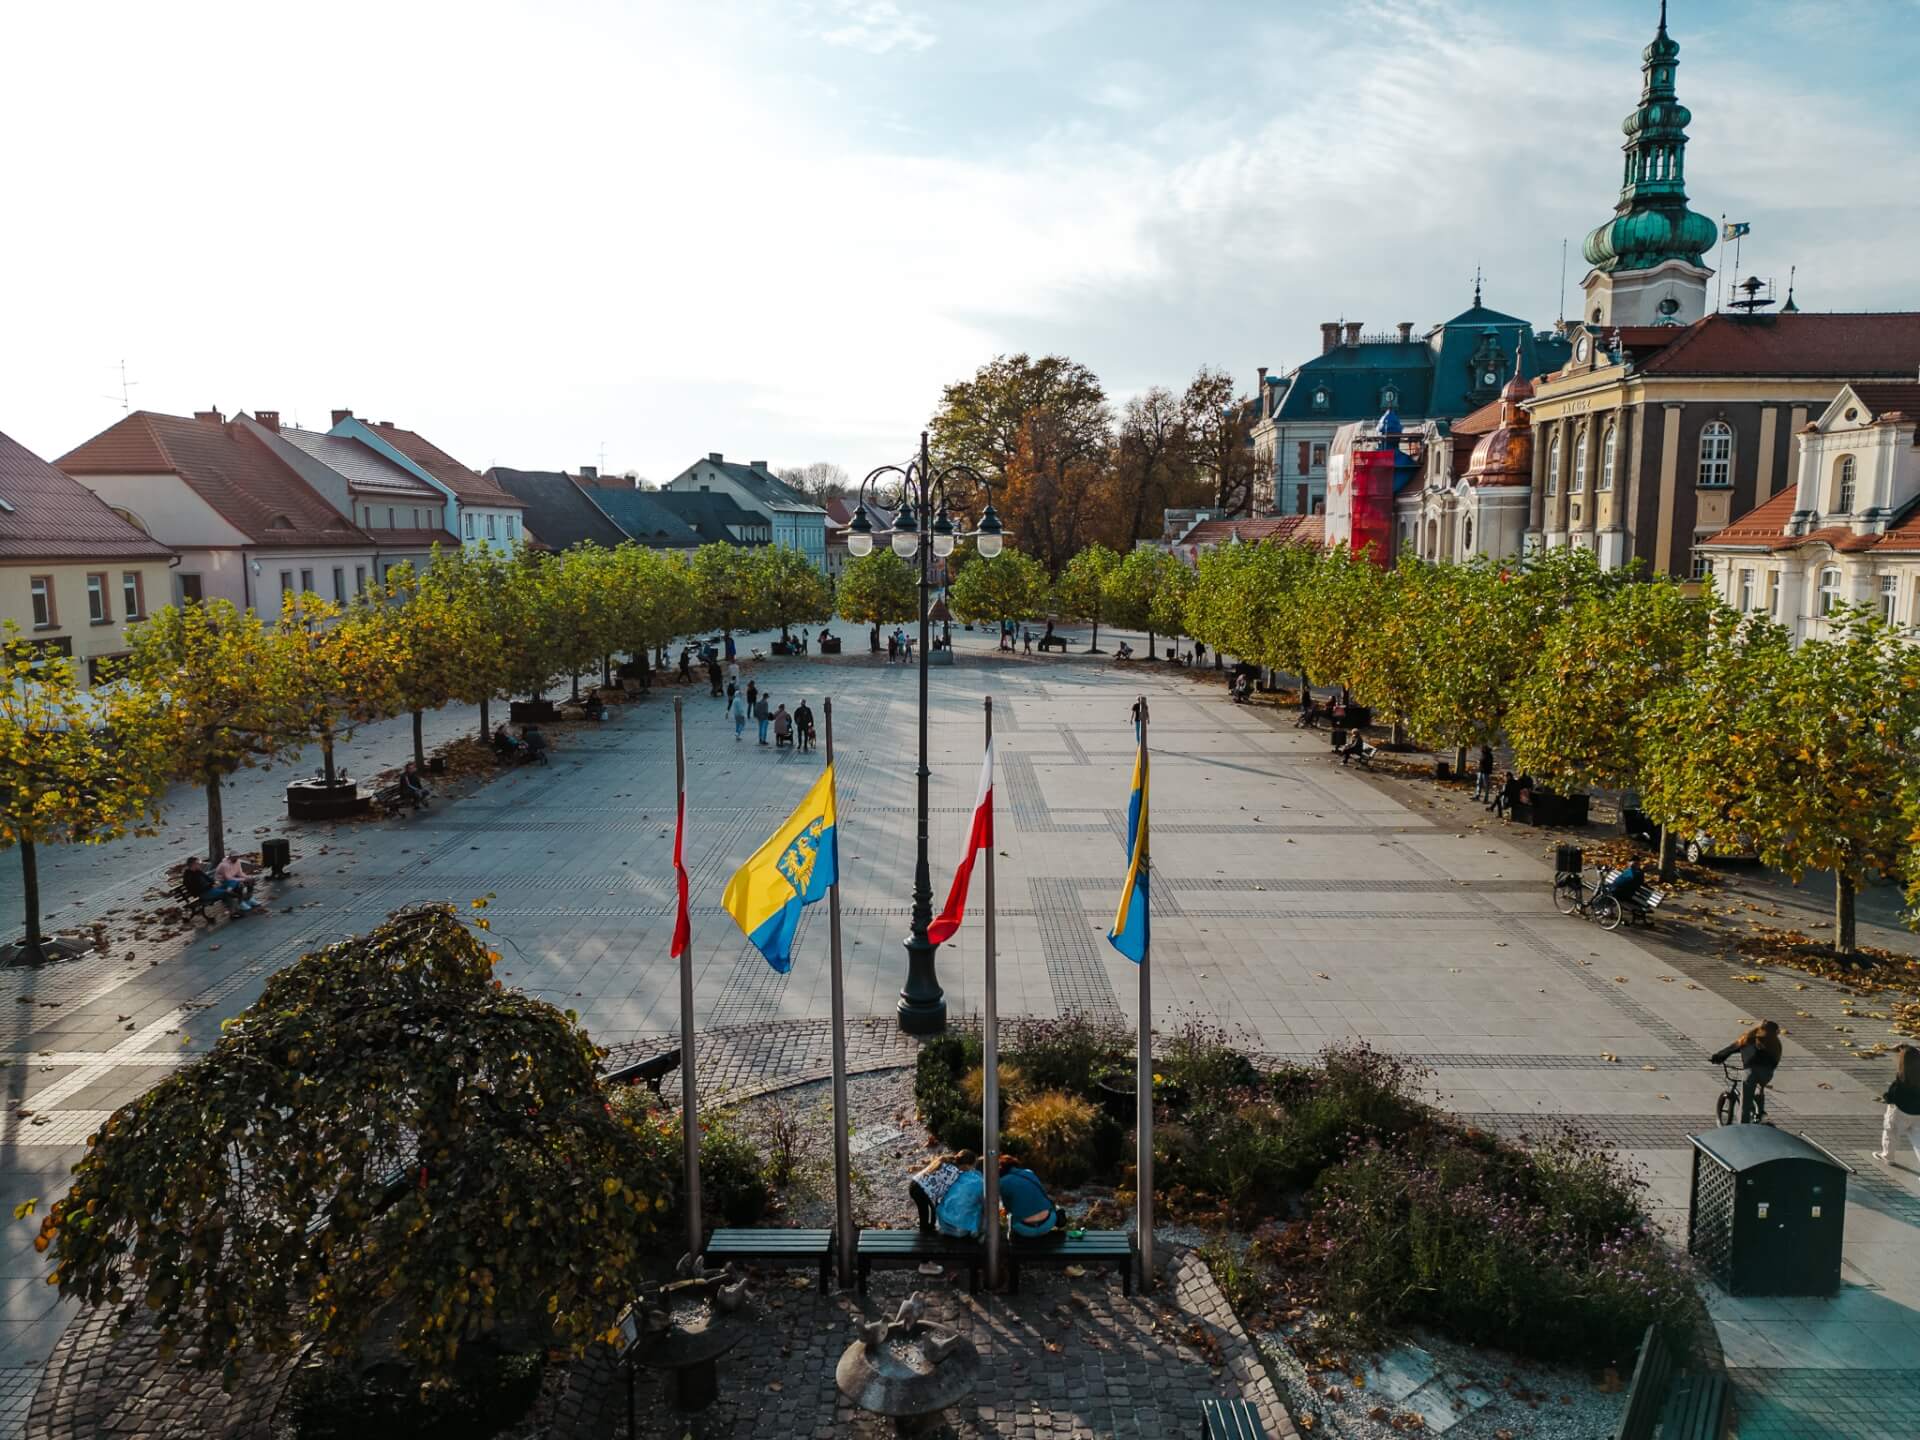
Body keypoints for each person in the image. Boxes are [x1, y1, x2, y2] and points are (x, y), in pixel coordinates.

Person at [1711, 1020, 1782, 1124]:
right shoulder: (1775, 1044)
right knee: (1759, 1087)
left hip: (1750, 1072)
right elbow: (1775, 1061)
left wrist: (1717, 1058)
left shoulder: (1747, 1039)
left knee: (1745, 1101)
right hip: (1767, 1073)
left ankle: (1743, 1125)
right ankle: (1760, 1112)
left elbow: (1730, 1049)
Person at [909, 1150, 976, 1233]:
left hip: (915, 1184)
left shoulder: (948, 1161)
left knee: (927, 1215)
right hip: (922, 1190)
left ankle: (925, 1231)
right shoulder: (953, 1172)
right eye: (971, 1166)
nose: (971, 1169)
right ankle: (925, 1238)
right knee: (929, 1220)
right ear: (966, 1165)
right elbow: (943, 1192)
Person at [1875, 1045, 1920, 1167]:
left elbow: (1892, 1095)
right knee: (1918, 1140)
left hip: (1900, 1111)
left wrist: (1886, 1098)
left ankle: (1888, 1156)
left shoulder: (1902, 1078)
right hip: (1918, 1113)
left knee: (1891, 1133)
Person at [998, 1155, 1058, 1239]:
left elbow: (1008, 1209)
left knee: (1011, 1217)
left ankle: (1011, 1240)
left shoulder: (1002, 1182)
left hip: (1025, 1229)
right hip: (1048, 1223)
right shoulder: (1029, 1173)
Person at [185, 855, 256, 915]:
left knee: (233, 882)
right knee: (225, 893)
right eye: (198, 863)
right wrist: (211, 885)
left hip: (212, 888)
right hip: (205, 893)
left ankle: (242, 901)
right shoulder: (189, 876)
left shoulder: (198, 871)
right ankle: (239, 906)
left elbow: (209, 879)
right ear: (193, 865)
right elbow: (196, 890)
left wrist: (214, 883)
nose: (200, 864)